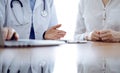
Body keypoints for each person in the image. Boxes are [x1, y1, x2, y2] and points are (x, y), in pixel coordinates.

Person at [0, 0, 66, 40]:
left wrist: (45, 36)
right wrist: (4, 31)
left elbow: (53, 33)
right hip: (12, 54)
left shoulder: (48, 1)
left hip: (40, 57)